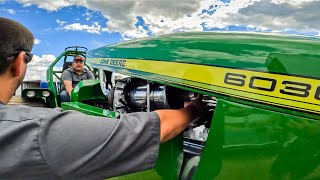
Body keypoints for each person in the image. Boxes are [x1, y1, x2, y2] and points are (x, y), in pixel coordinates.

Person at [0, 17, 205, 179]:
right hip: (68, 94)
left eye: (82, 60)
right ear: (20, 62)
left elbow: (95, 86)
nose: (80, 63)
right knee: (65, 94)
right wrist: (194, 110)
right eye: (77, 60)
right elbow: (72, 91)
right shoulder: (39, 131)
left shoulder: (88, 73)